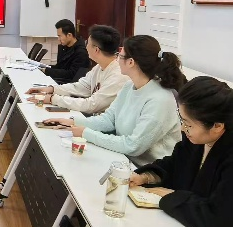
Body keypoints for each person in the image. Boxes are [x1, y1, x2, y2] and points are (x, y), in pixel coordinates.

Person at [45, 35, 186, 166]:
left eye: (120, 55)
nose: (116, 59)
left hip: (149, 170)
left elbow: (133, 146)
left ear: (131, 62)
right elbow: (108, 120)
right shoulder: (129, 86)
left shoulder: (159, 100)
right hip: (124, 159)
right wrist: (73, 122)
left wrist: (85, 133)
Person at [130, 76, 233, 227]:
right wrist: (146, 177)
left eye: (188, 124)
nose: (182, 129)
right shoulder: (197, 138)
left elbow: (218, 220)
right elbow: (175, 164)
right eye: (182, 120)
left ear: (217, 126)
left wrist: (172, 196)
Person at [26, 25, 127, 114]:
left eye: (87, 43)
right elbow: (82, 87)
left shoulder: (118, 75)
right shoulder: (100, 66)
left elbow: (91, 105)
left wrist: (53, 99)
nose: (85, 46)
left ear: (96, 50)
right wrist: (52, 89)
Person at [43, 19, 90, 84]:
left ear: (69, 35)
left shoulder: (81, 52)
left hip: (68, 84)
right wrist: (45, 67)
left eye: (60, 36)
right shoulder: (64, 47)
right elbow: (59, 66)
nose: (58, 39)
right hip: (60, 80)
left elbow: (71, 74)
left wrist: (47, 71)